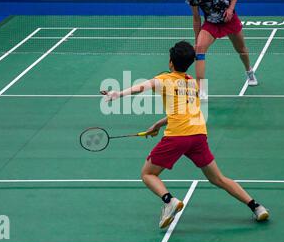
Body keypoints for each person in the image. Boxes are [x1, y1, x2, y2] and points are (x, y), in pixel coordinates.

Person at [102, 41, 269, 229]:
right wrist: (158, 124)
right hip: (198, 135)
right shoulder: (192, 83)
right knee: (218, 179)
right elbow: (185, 110)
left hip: (177, 136)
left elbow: (140, 87)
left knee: (147, 174)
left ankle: (169, 201)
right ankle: (256, 207)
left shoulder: (164, 79)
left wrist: (117, 94)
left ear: (171, 63)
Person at [187, 0, 258, 99]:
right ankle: (201, 89)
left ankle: (249, 71)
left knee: (241, 49)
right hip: (211, 24)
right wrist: (197, 40)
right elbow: (196, 19)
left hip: (229, 20)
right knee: (199, 49)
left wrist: (230, 9)